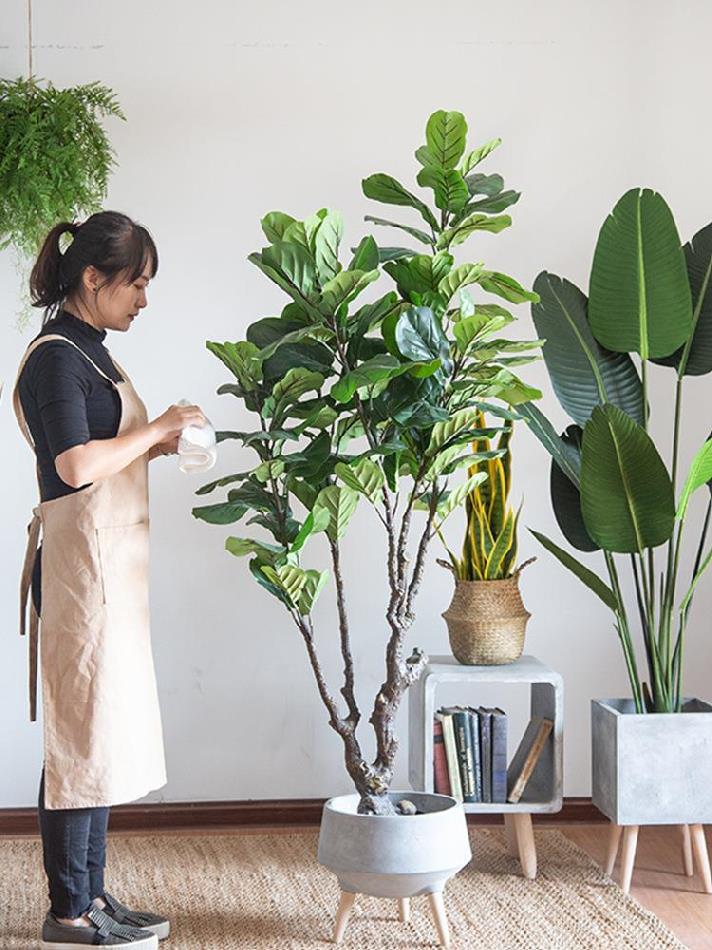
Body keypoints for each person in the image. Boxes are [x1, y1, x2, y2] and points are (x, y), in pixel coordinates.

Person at [12, 211, 207, 948]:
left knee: (99, 733)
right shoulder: (56, 357)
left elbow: (99, 450)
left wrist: (151, 449)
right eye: (137, 284)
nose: (144, 300)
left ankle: (93, 894)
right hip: (76, 572)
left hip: (107, 571)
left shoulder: (91, 349)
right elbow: (72, 467)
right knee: (78, 737)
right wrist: (154, 430)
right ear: (93, 278)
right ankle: (68, 912)